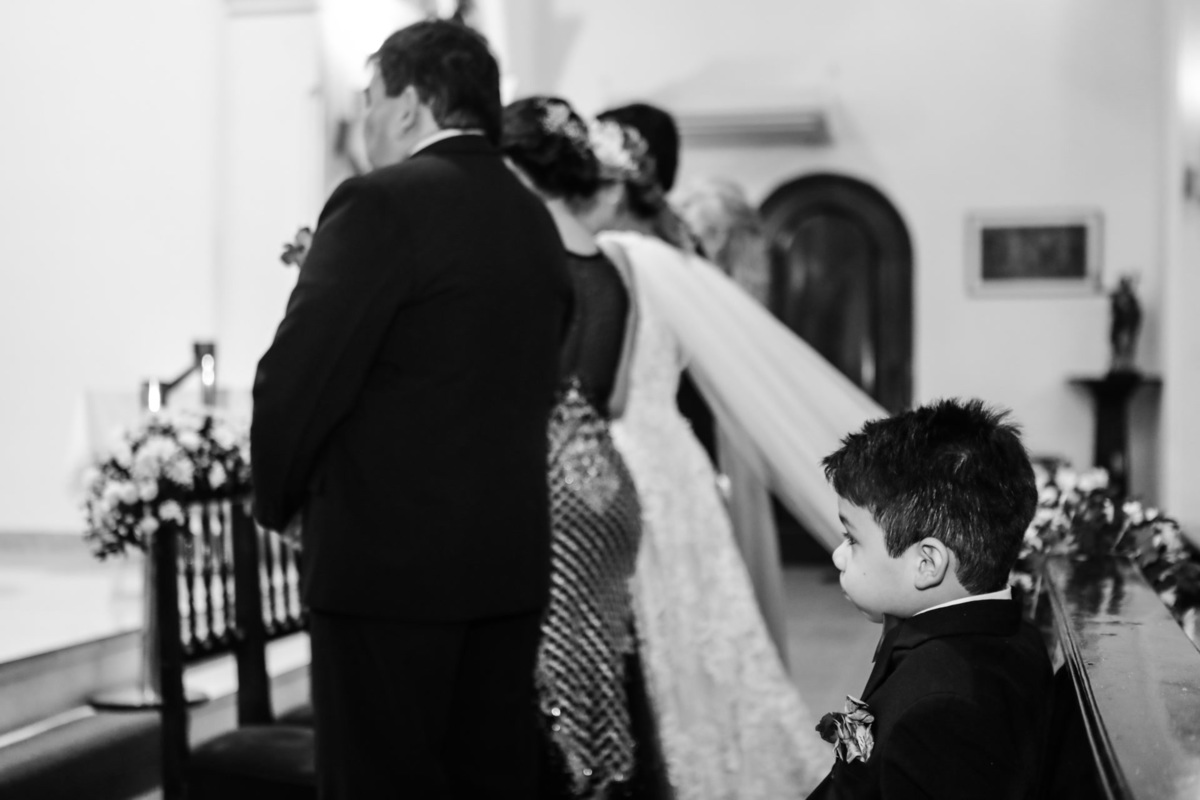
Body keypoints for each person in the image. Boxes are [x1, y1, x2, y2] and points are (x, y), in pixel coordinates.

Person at [249, 21, 571, 799]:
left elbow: (298, 377)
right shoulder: (531, 216)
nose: (363, 120)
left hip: (386, 572)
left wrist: (279, 503)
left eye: (369, 100)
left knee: (379, 781)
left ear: (408, 105)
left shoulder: (382, 202)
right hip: (505, 564)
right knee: (487, 781)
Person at [591, 118, 846, 799]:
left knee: (688, 613)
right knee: (695, 611)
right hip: (677, 441)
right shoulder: (664, 253)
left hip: (667, 438)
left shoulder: (623, 257)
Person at [500, 96, 652, 799]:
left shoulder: (526, 257)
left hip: (547, 485)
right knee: (595, 662)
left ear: (517, 168)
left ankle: (568, 784)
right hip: (608, 487)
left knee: (545, 672)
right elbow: (614, 399)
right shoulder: (614, 265)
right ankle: (604, 777)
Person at [810, 398, 1054, 799]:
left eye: (852, 538)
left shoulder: (942, 711)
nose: (838, 556)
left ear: (927, 563)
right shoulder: (1008, 632)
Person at [675, 177, 788, 665]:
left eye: (706, 231)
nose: (697, 241)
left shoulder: (731, 295)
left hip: (721, 436)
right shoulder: (683, 279)